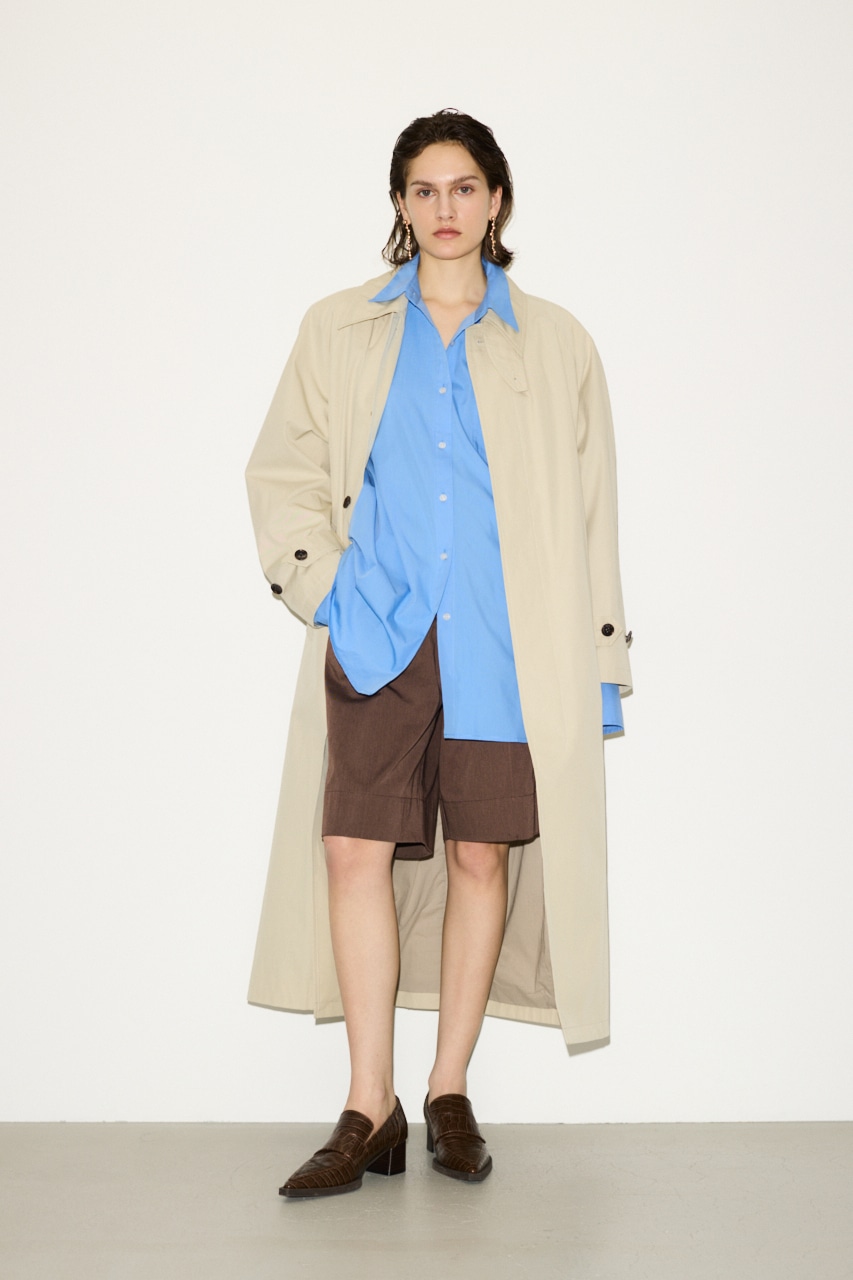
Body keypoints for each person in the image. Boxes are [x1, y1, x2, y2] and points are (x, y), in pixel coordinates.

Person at [245, 108, 632, 1199]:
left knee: (478, 857)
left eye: (464, 187)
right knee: (351, 850)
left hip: (508, 644)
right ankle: (368, 1105)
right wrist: (331, 589)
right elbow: (282, 472)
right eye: (424, 189)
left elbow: (592, 513)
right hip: (381, 633)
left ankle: (448, 1087)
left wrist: (600, 667)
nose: (445, 208)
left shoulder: (556, 342)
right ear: (400, 204)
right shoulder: (341, 328)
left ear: (496, 199)